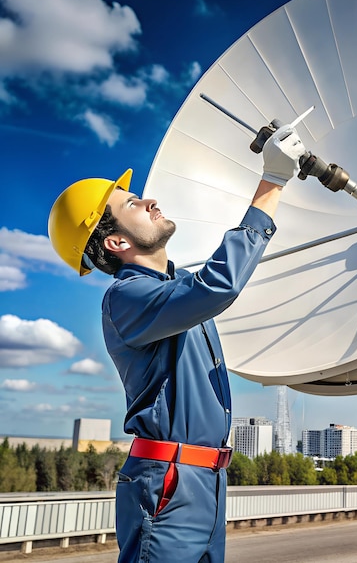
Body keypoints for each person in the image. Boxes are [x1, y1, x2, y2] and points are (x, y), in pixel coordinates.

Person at [47, 124, 306, 563]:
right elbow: (219, 286)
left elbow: (211, 287)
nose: (150, 200)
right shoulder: (126, 298)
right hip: (169, 482)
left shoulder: (180, 288)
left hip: (207, 481)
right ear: (116, 241)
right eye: (133, 203)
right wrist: (273, 182)